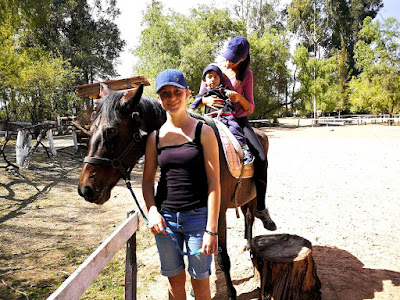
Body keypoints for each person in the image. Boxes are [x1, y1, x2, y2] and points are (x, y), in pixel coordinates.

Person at [142, 69, 220, 300]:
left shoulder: (203, 132)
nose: (172, 98)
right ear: (159, 98)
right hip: (166, 221)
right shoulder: (154, 138)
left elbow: (214, 182)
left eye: (177, 91)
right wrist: (153, 211)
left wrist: (212, 230)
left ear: (187, 94)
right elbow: (147, 181)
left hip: (198, 218)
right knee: (175, 284)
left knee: (201, 284)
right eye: (165, 93)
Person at [196, 36, 277, 231]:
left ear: (243, 58)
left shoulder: (246, 75)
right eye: (227, 56)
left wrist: (239, 98)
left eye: (234, 59)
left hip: (237, 120)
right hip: (211, 118)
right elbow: (199, 96)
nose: (228, 61)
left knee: (260, 155)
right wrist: (204, 102)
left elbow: (250, 107)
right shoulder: (214, 70)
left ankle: (261, 207)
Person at [190, 63, 254, 164]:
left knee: (235, 128)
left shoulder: (222, 89)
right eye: (210, 77)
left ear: (220, 79)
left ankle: (244, 149)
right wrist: (192, 109)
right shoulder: (204, 93)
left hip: (226, 116)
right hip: (209, 118)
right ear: (204, 80)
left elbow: (229, 95)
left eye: (216, 77)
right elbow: (197, 100)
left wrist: (233, 96)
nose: (213, 79)